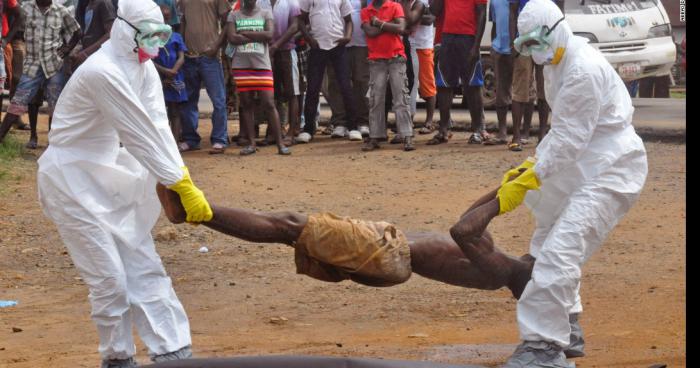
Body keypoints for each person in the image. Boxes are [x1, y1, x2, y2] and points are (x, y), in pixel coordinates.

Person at [35, 1, 214, 367]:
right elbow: (138, 133)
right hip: (70, 179)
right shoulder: (102, 71)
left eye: (162, 35)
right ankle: (116, 357)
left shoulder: (143, 68)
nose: (157, 44)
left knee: (144, 264)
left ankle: (173, 352)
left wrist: (183, 179)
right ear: (123, 30)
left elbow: (158, 126)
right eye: (149, 35)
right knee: (109, 278)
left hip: (108, 175)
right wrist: (177, 181)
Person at [497, 1, 648, 366]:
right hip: (585, 162)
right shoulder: (556, 63)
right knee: (545, 238)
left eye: (536, 42)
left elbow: (570, 136)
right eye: (525, 45)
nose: (533, 51)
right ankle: (567, 323)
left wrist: (534, 173)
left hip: (613, 168)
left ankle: (544, 346)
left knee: (560, 251)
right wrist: (530, 165)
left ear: (556, 28)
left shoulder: (582, 67)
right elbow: (562, 130)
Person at [156, 177, 534, 298]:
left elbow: (462, 229)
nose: (535, 256)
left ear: (527, 277)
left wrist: (505, 199)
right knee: (289, 232)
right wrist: (510, 181)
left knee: (290, 225)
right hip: (390, 249)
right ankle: (194, 214)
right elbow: (469, 218)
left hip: (392, 253)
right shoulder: (495, 257)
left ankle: (194, 211)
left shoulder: (499, 273)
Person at [0, 0, 82, 148]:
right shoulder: (26, 9)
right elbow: (15, 19)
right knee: (18, 101)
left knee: (55, 105)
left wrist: (67, 49)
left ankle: (54, 143)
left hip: (54, 65)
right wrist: (7, 39)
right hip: (32, 65)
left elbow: (77, 32)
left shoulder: (61, 11)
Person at [227, 0, 291, 155]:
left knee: (269, 103)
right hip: (241, 66)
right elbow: (232, 38)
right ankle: (251, 144)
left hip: (262, 65)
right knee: (247, 104)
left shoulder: (265, 13)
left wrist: (244, 34)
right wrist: (257, 36)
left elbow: (269, 35)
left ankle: (280, 143)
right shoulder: (233, 15)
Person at [296, 0, 362, 143]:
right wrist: (309, 39)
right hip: (317, 46)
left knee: (345, 86)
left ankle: (353, 127)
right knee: (313, 88)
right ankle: (308, 129)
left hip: (338, 45)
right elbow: (300, 20)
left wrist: (348, 37)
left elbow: (349, 20)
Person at [428, 0, 488, 145]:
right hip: (447, 37)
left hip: (468, 37)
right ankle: (443, 129)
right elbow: (435, 10)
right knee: (444, 85)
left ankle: (478, 129)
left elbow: (482, 14)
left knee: (473, 85)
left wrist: (476, 45)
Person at [360, 0, 415, 152]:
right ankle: (377, 136)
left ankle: (406, 135)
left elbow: (401, 28)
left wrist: (378, 22)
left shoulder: (394, 6)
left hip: (395, 57)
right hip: (377, 59)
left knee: (401, 98)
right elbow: (371, 32)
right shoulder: (366, 10)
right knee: (376, 99)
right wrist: (389, 25)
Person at [508, 0, 563, 150]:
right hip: (524, 41)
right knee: (520, 90)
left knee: (544, 89)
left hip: (546, 42)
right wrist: (513, 42)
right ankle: (516, 136)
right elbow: (512, 12)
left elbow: (560, 13)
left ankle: (542, 136)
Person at [178, 0, 230, 154]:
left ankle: (219, 139)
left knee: (218, 100)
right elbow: (183, 23)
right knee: (188, 101)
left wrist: (216, 46)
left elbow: (228, 22)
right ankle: (191, 139)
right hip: (189, 57)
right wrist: (182, 48)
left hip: (210, 57)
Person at [268, 0, 302, 145]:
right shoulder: (261, 2)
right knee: (271, 93)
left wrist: (276, 44)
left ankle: (291, 133)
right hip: (268, 52)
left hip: (287, 51)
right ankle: (273, 131)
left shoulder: (291, 2)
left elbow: (295, 26)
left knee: (292, 93)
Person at [154, 4, 187, 142]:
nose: (165, 21)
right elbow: (149, 60)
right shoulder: (152, 37)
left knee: (175, 110)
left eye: (167, 18)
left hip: (175, 76)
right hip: (158, 77)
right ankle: (162, 142)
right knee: (159, 111)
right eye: (162, 17)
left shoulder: (176, 36)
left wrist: (173, 71)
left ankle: (174, 142)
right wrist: (165, 72)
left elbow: (181, 56)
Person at [482, 0, 511, 146]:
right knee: (501, 92)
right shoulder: (494, 2)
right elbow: (494, 24)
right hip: (500, 51)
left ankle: (522, 133)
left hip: (519, 50)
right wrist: (494, 45)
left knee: (524, 92)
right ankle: (503, 132)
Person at [408, 0, 437, 135]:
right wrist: (419, 15)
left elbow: (430, 19)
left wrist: (412, 17)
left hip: (423, 45)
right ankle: (408, 121)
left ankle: (429, 121)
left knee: (427, 85)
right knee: (408, 86)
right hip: (407, 44)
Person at [70, 0, 116, 70]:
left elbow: (110, 34)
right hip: (89, 57)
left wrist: (85, 53)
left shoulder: (104, 3)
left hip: (100, 58)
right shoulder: (88, 5)